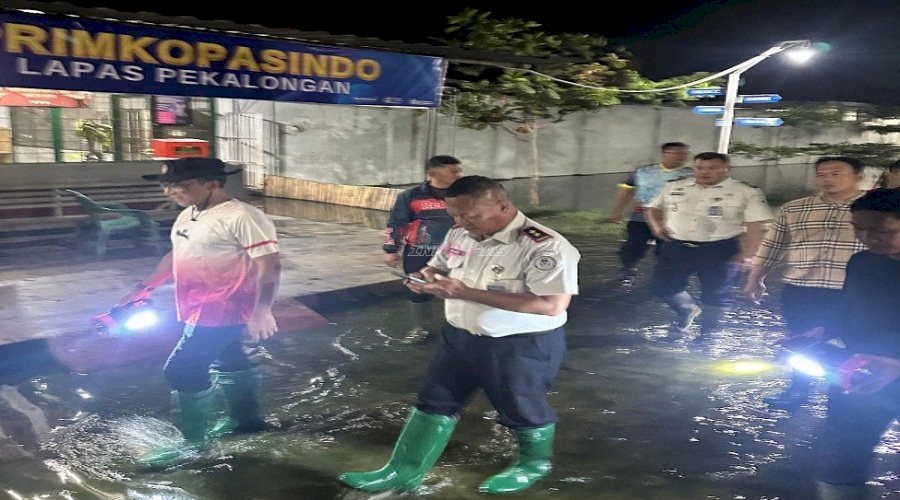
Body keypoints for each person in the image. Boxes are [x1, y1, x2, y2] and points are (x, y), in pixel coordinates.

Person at [339, 175, 580, 494]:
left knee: (521, 406)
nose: (460, 222)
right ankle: (403, 471)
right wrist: (425, 276)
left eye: (470, 215)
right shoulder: (460, 233)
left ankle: (533, 463)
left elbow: (551, 305)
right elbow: (438, 266)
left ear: (503, 206)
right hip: (459, 337)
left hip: (519, 345)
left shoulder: (544, 245)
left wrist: (465, 292)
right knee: (433, 401)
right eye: (454, 215)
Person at [124, 157, 281, 466]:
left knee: (181, 369)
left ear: (212, 184)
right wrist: (145, 288)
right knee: (231, 359)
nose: (170, 191)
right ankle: (246, 421)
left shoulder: (242, 216)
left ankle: (194, 444)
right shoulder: (189, 214)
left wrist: (263, 310)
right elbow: (176, 254)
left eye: (180, 185)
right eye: (167, 185)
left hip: (225, 307)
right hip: (197, 305)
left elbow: (270, 264)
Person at [744, 156, 867, 409]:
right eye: (821, 174)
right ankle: (797, 390)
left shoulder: (873, 210)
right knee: (800, 341)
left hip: (856, 291)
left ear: (859, 176)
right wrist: (756, 277)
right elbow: (773, 245)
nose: (827, 179)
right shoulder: (795, 208)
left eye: (836, 173)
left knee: (856, 343)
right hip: (802, 288)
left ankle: (848, 393)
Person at [811, 188, 900, 500]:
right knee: (843, 457)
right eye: (858, 229)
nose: (866, 238)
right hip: (860, 374)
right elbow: (846, 307)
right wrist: (818, 332)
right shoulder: (862, 262)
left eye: (880, 231)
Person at [645, 152, 772, 338]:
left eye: (712, 168)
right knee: (661, 286)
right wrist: (657, 226)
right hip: (676, 246)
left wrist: (748, 255)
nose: (705, 172)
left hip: (720, 250)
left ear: (727, 169)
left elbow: (757, 226)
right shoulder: (674, 186)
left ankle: (709, 332)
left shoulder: (746, 191)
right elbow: (653, 208)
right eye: (700, 168)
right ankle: (687, 309)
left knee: (716, 294)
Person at [383, 155, 463, 336]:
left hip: (458, 251)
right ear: (432, 173)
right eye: (453, 171)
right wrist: (391, 250)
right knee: (418, 288)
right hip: (419, 251)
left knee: (459, 287)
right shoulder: (411, 196)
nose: (459, 175)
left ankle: (459, 327)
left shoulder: (465, 195)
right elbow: (396, 223)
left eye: (459, 171)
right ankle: (421, 328)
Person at [605, 142, 693, 287]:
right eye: (678, 153)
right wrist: (618, 211)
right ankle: (627, 271)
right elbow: (626, 190)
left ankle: (664, 277)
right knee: (633, 246)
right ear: (665, 154)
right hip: (641, 217)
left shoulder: (691, 175)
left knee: (667, 249)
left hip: (672, 219)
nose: (683, 157)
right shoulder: (643, 172)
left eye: (685, 154)